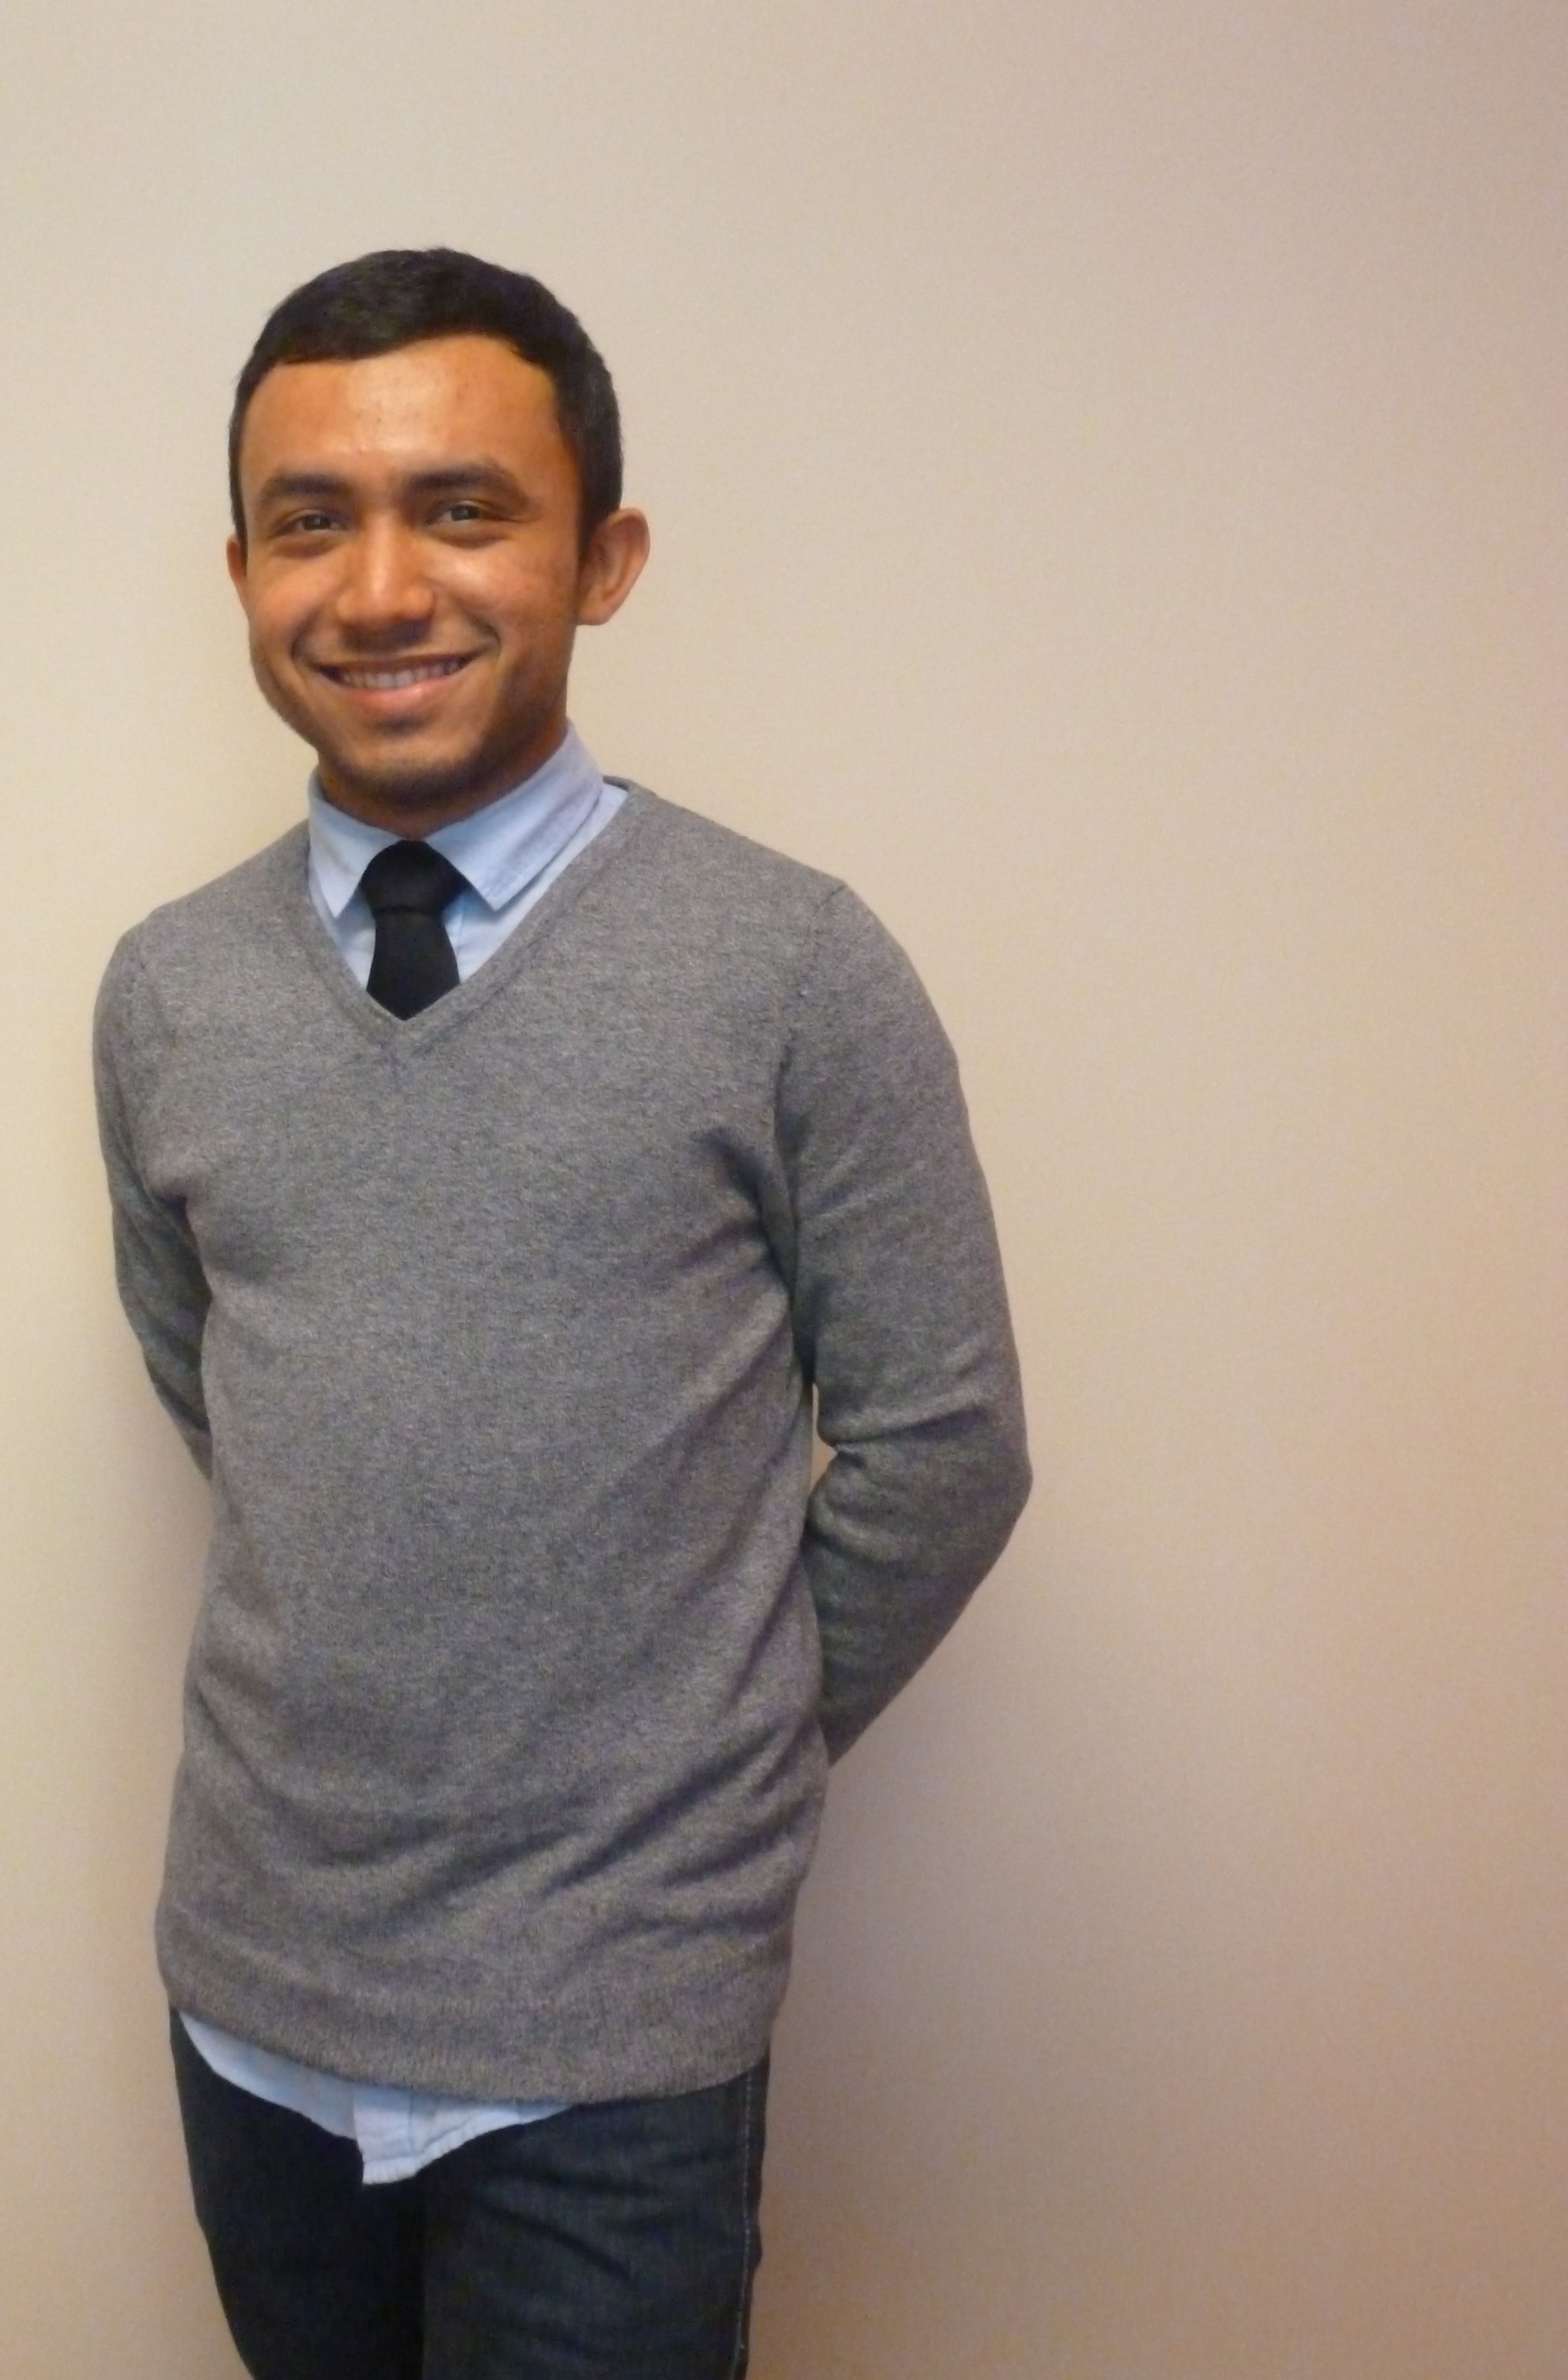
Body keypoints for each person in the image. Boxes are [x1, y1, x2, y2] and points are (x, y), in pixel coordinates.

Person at [93, 248, 1030, 2379]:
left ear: (603, 558)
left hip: (615, 2040)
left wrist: (703, 1755)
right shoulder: (166, 990)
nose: (381, 589)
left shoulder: (792, 966)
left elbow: (944, 1445)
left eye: (464, 510)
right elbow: (220, 1382)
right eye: (311, 521)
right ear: (241, 574)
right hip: (250, 1994)